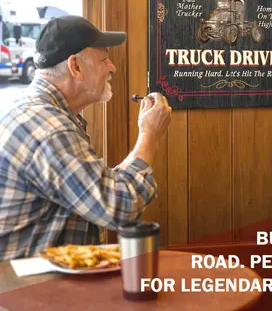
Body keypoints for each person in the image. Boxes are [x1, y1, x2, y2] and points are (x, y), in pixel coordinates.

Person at [0, 16, 171, 261]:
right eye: (104, 59)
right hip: (29, 292)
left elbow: (94, 187)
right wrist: (149, 135)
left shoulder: (38, 112)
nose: (112, 67)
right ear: (76, 66)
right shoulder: (49, 129)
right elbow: (118, 205)